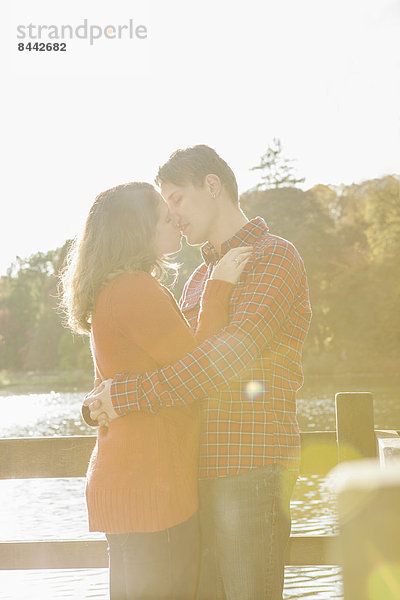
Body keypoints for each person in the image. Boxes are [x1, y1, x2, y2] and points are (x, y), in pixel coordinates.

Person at [85, 145, 312, 600]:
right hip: (189, 479)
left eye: (176, 199)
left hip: (248, 466)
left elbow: (224, 361)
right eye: (164, 204)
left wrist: (123, 398)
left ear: (213, 186)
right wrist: (98, 402)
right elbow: (171, 362)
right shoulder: (194, 281)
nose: (172, 213)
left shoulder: (274, 258)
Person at [60, 181, 254, 600]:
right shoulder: (134, 289)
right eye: (165, 217)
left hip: (130, 485)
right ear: (138, 230)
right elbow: (200, 367)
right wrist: (218, 288)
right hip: (152, 485)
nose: (175, 220)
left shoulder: (115, 291)